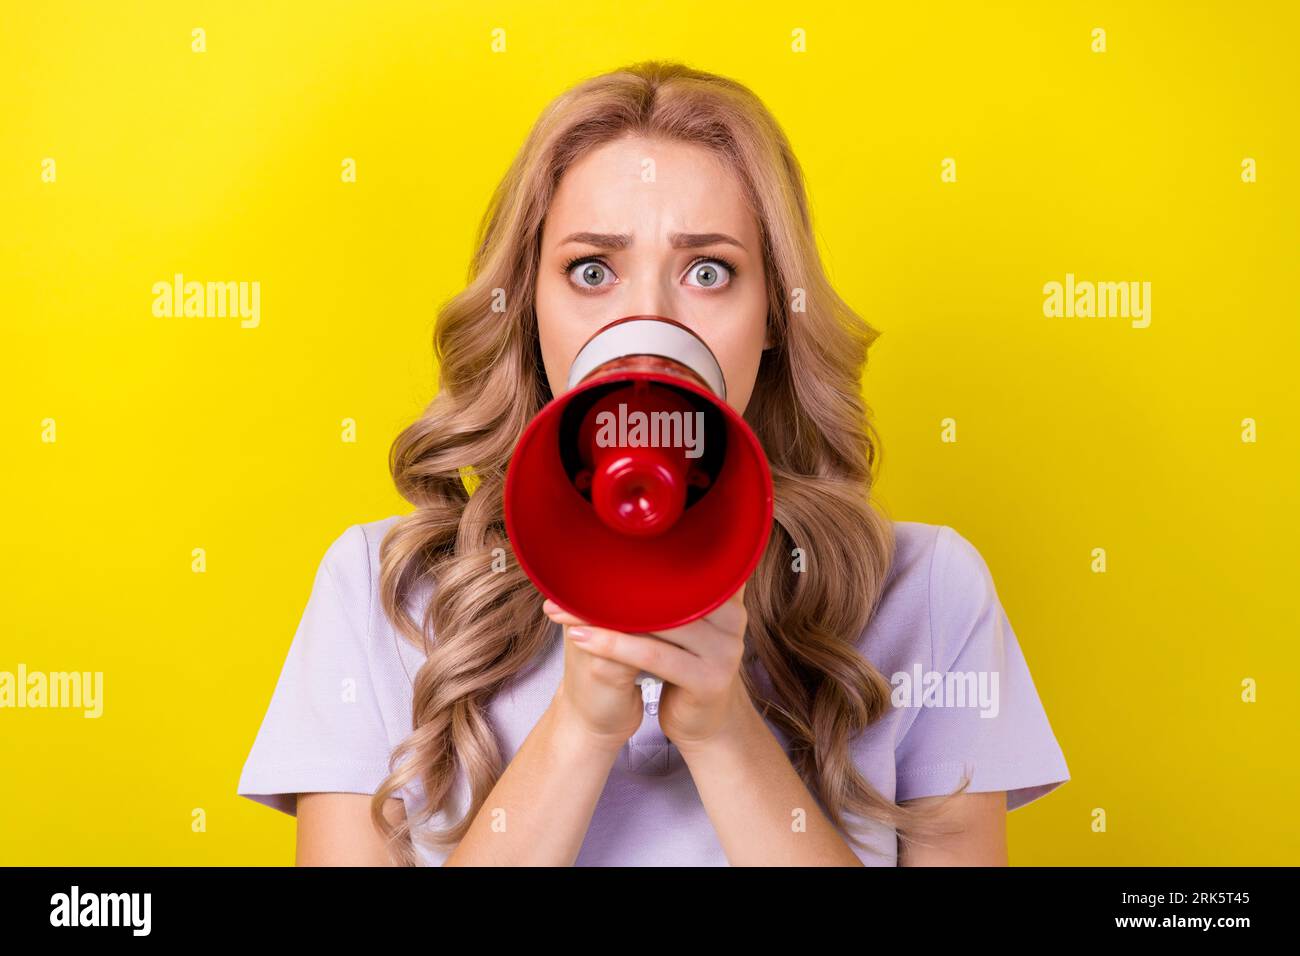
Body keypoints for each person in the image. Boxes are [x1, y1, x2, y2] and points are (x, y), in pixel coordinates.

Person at [237, 60, 1070, 866]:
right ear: (528, 307)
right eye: (591, 270)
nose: (645, 320)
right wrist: (579, 727)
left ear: (777, 313)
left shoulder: (926, 594)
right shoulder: (383, 594)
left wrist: (723, 728)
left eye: (709, 271)